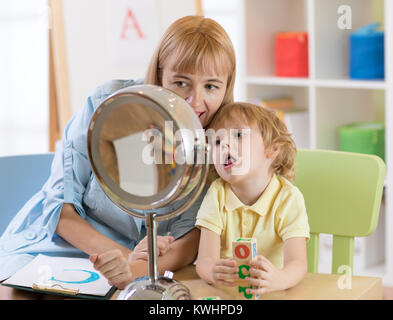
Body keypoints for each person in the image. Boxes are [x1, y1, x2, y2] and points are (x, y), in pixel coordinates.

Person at [0, 15, 236, 299]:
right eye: (181, 83)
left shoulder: (221, 145)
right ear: (160, 74)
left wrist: (133, 268)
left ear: (225, 89)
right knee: (16, 294)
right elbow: (60, 210)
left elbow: (190, 242)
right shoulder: (107, 103)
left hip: (135, 271)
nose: (195, 100)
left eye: (210, 86)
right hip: (54, 246)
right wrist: (124, 258)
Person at [195, 102, 310, 296]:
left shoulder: (288, 198)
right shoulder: (216, 193)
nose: (225, 145)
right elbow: (205, 260)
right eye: (216, 141)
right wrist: (212, 272)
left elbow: (297, 264)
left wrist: (280, 279)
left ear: (272, 149)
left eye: (239, 135)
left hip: (272, 293)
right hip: (226, 294)